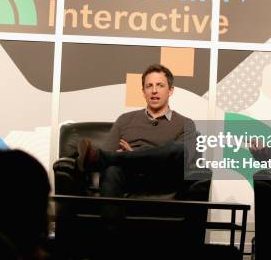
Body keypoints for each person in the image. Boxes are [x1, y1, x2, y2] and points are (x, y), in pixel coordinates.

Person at [78, 64, 197, 199]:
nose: (154, 91)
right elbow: (109, 152)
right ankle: (110, 221)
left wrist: (134, 154)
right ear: (143, 92)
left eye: (160, 85)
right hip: (129, 179)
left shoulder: (186, 123)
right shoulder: (125, 120)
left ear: (170, 90)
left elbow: (185, 162)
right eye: (149, 86)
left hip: (163, 179)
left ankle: (102, 158)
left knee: (181, 149)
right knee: (111, 171)